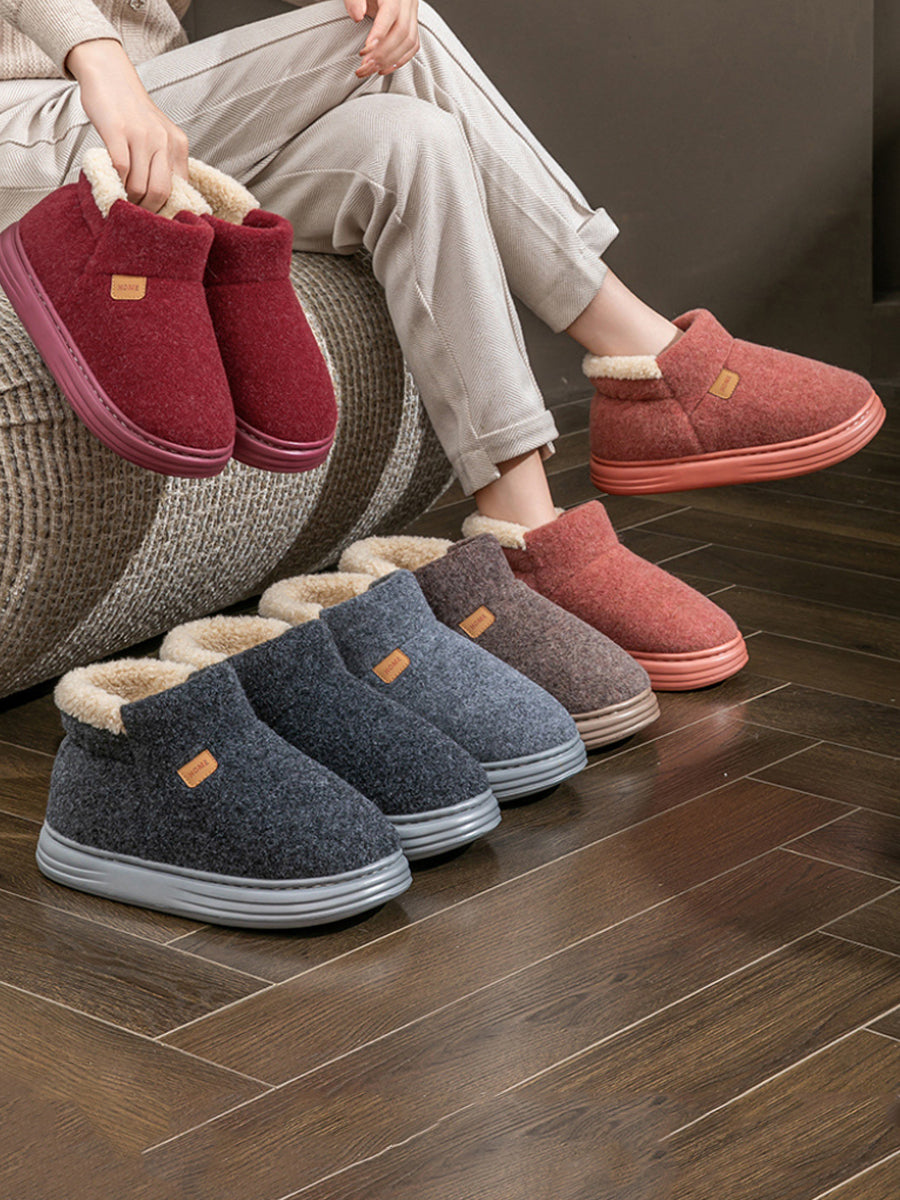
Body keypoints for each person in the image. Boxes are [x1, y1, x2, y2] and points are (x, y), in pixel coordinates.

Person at [0, 0, 881, 531]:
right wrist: (100, 63)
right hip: (28, 124)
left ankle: (527, 532)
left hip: (155, 124)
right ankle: (644, 359)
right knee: (352, 41)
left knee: (412, 136)